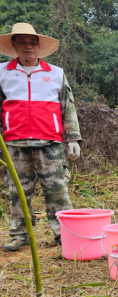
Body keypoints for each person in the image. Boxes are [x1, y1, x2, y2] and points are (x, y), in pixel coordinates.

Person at [0, 23, 82, 252]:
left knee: (57, 191)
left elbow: (68, 107)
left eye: (32, 42)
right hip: (14, 143)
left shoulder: (55, 73)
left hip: (50, 142)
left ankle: (64, 234)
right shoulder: (2, 72)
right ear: (14, 45)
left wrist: (73, 139)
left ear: (38, 46)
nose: (28, 46)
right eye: (22, 42)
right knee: (17, 192)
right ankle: (20, 235)